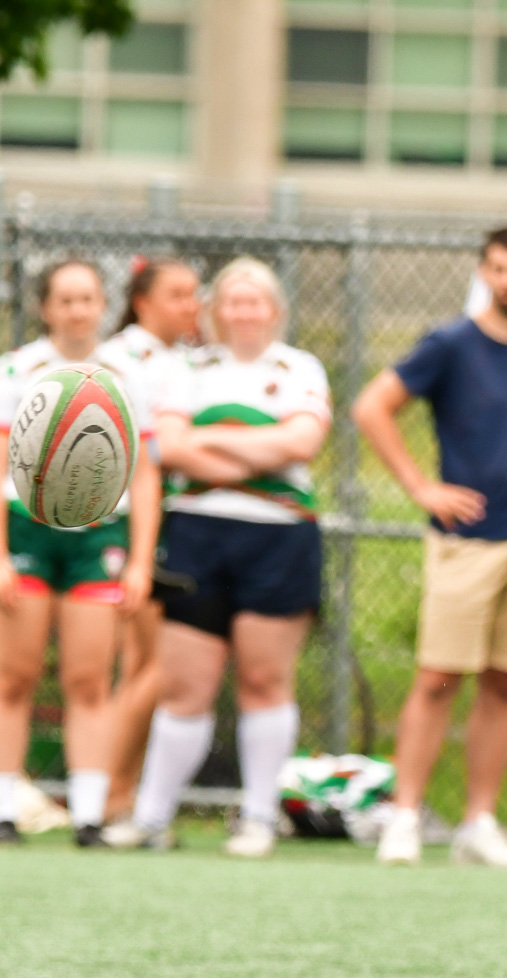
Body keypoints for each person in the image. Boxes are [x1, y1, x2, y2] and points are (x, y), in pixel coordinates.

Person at [356, 227, 507, 868]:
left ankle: (478, 823)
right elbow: (373, 407)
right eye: (498, 268)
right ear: (483, 272)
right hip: (463, 543)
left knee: (503, 684)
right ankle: (404, 817)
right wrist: (420, 486)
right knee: (437, 678)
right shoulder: (450, 344)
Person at [110, 257, 331, 858]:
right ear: (215, 310)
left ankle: (259, 816)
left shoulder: (299, 369)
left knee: (264, 678)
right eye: (231, 299)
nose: (243, 311)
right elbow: (172, 446)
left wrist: (215, 442)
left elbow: (302, 441)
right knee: (185, 684)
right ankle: (152, 817)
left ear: (275, 309)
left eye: (254, 299)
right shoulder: (189, 368)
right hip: (197, 537)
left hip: (279, 538)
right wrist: (259, 453)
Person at [0, 258, 159, 846]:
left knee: (88, 678)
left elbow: (148, 475)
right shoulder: (16, 370)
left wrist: (140, 558)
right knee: (14, 673)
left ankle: (87, 814)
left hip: (100, 536)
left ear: (102, 305)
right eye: (67, 299)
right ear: (46, 307)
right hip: (26, 531)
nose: (79, 310)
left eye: (88, 298)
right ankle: (2, 807)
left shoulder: (125, 373)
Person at [99, 258, 201, 830]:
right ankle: (109, 796)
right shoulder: (120, 360)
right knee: (148, 667)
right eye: (177, 294)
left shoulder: (183, 360)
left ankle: (122, 796)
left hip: (174, 522)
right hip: (129, 523)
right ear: (142, 301)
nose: (191, 305)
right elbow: (147, 451)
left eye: (194, 294)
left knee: (149, 667)